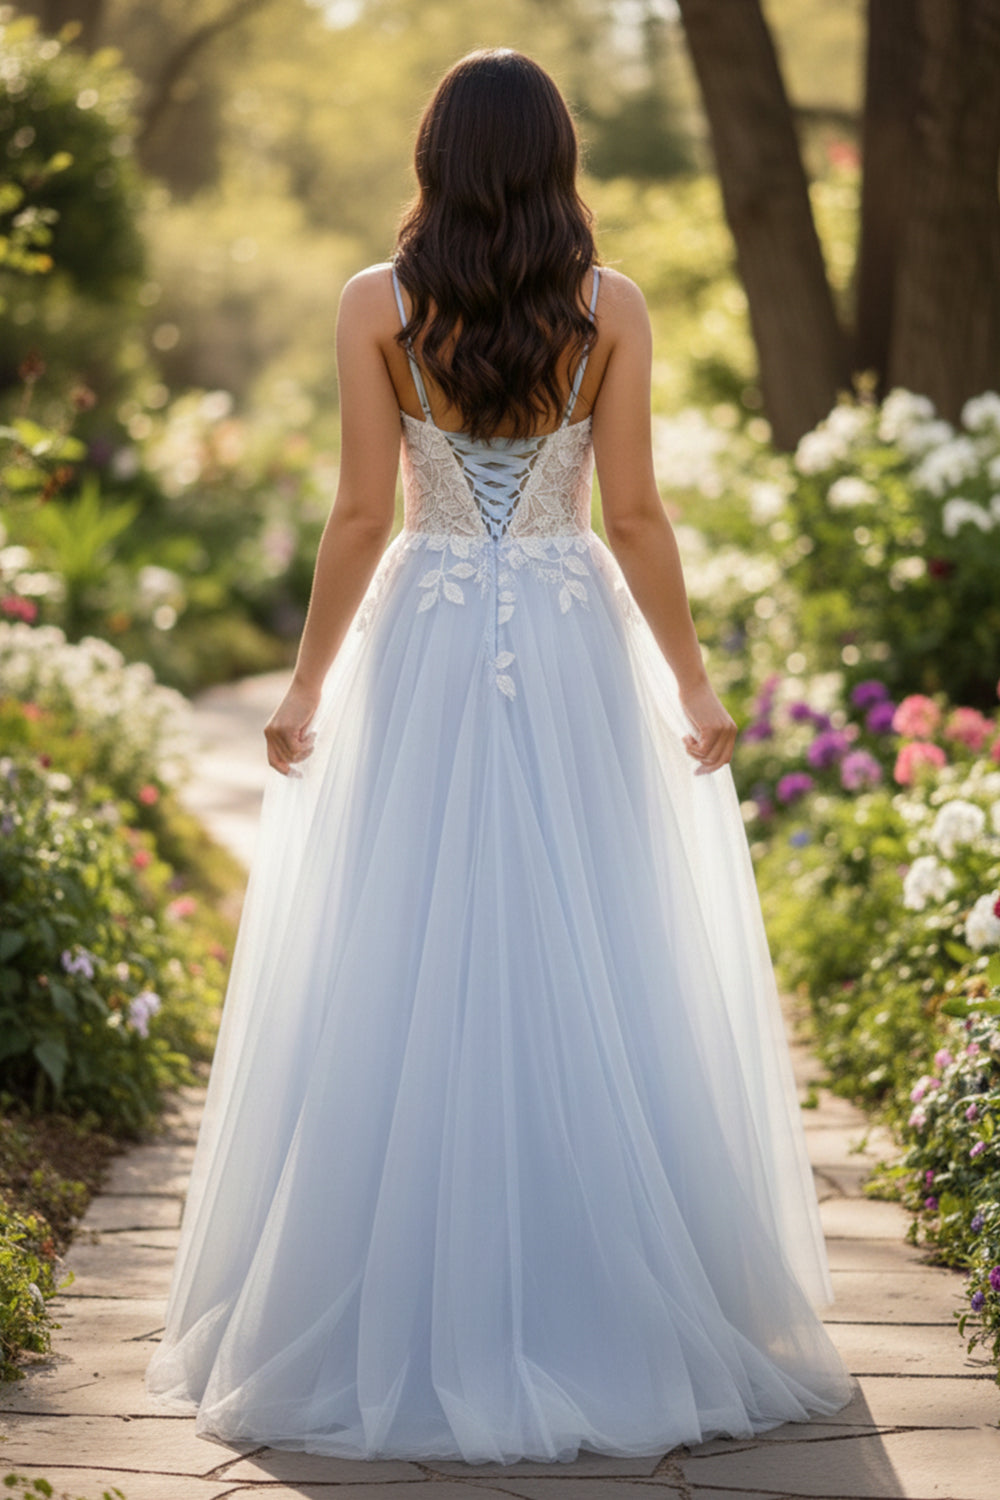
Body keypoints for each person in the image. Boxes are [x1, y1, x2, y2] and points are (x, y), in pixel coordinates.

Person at [146, 47, 854, 1464]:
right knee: (595, 938)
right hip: (572, 637)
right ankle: (602, 1286)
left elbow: (363, 516)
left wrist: (304, 687)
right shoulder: (609, 309)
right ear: (555, 161)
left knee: (402, 941)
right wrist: (693, 682)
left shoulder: (378, 305)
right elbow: (633, 517)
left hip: (423, 639)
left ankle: (407, 1297)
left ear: (436, 158)